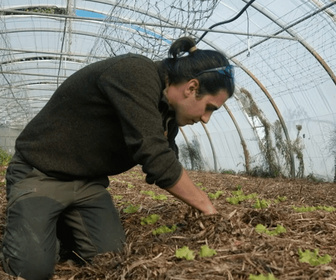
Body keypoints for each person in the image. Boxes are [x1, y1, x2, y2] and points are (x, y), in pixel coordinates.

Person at [2, 36, 235, 280]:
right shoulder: (135, 73)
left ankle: (56, 226)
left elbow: (167, 160)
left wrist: (196, 201)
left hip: (88, 183)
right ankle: (37, 232)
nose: (207, 118)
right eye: (210, 107)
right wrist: (208, 208)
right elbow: (154, 155)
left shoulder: (167, 111)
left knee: (111, 258)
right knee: (32, 269)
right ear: (192, 87)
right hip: (40, 173)